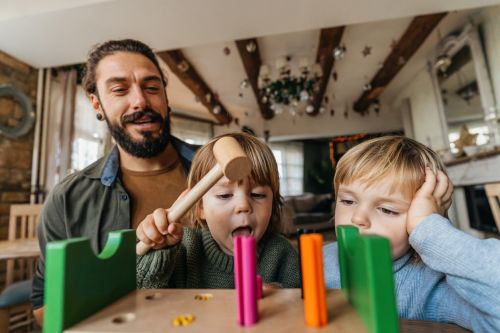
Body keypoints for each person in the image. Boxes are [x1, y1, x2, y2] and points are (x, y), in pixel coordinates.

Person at [31, 39, 198, 325]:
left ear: (166, 99)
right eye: (120, 90)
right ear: (97, 103)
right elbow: (45, 308)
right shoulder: (68, 200)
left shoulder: (218, 175)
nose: (141, 101)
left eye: (152, 87)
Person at [323, 136, 500, 332]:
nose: (357, 218)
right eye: (348, 201)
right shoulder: (319, 261)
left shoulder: (429, 287)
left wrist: (429, 229)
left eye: (387, 209)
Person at [135, 132, 300, 289]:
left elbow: (301, 301)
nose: (243, 206)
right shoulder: (185, 248)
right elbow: (143, 291)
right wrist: (158, 250)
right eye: (224, 195)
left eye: (257, 195)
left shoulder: (282, 253)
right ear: (200, 207)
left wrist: (280, 294)